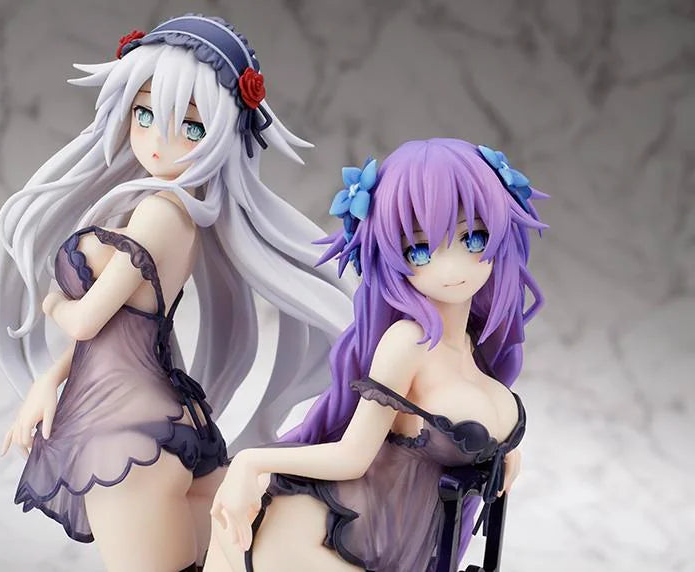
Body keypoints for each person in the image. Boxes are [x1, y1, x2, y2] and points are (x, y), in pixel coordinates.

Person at [0, 14, 353, 572]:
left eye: (191, 127)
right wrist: (48, 381)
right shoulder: (160, 207)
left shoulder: (162, 214)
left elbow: (87, 322)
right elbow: (121, 330)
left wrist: (52, 303)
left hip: (125, 432)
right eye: (144, 115)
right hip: (153, 417)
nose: (160, 143)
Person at [206, 138, 547, 572]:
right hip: (327, 537)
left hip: (390, 548)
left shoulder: (475, 347)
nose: (451, 267)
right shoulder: (408, 341)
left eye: (473, 237)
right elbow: (352, 456)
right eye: (419, 250)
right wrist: (249, 463)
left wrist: (499, 452)